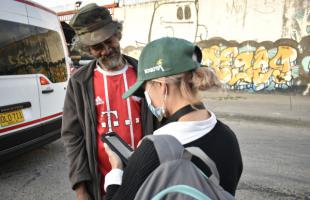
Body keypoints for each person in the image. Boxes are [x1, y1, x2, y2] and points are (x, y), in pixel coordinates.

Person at [103, 37, 243, 200]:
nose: (146, 97)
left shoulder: (153, 151)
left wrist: (116, 171)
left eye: (145, 88)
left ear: (162, 86)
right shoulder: (228, 136)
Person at [61, 3, 156, 200]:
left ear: (118, 35)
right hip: (103, 185)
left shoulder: (144, 74)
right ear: (87, 49)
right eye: (97, 47)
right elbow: (73, 137)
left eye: (109, 41)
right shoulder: (79, 83)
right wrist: (80, 189)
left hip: (147, 180)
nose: (106, 50)